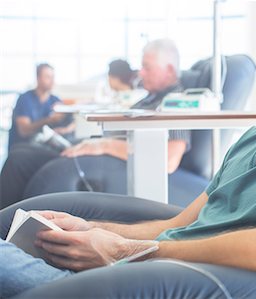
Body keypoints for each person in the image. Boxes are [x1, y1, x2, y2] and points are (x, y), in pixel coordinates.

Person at [0, 0, 256, 297]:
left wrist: (123, 252)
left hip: (159, 283)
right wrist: (93, 230)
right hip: (127, 270)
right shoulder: (253, 139)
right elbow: (176, 226)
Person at [0, 39, 191, 208]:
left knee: (19, 161)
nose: (140, 72)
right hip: (100, 154)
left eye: (147, 67)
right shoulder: (150, 98)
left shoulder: (177, 102)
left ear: (169, 70)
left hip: (111, 163)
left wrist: (104, 145)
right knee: (20, 151)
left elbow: (168, 159)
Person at [7, 63, 74, 152]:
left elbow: (73, 122)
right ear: (38, 78)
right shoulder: (25, 99)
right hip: (24, 147)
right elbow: (24, 131)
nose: (52, 81)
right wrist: (50, 120)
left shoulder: (55, 100)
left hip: (43, 144)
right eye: (48, 77)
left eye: (53, 77)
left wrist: (64, 130)